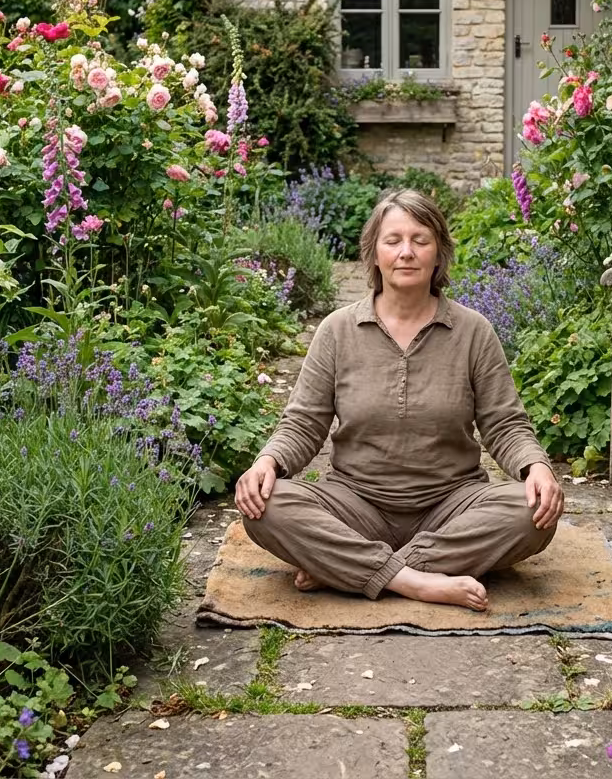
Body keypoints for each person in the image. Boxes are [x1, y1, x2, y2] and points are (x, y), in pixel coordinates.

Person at [235, 189, 564, 612]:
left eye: (420, 240)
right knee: (266, 506)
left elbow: (505, 424)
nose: (406, 252)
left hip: (452, 504)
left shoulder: (473, 332)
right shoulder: (337, 331)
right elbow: (303, 423)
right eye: (393, 240)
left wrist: (535, 467)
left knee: (532, 511)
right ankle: (416, 580)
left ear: (439, 254)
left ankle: (349, 568)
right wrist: (267, 462)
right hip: (353, 504)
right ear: (374, 253)